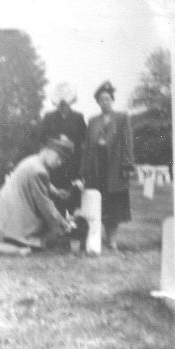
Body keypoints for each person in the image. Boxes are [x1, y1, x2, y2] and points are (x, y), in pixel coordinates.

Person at [0, 138, 75, 251]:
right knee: (31, 247)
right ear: (46, 152)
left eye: (63, 160)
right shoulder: (39, 170)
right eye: (58, 157)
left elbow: (42, 183)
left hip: (9, 208)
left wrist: (55, 191)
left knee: (42, 240)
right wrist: (62, 224)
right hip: (16, 214)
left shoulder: (34, 160)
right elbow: (44, 204)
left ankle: (14, 238)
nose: (60, 163)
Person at [81, 81, 134, 250]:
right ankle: (100, 236)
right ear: (98, 102)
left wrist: (127, 165)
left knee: (114, 203)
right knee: (99, 203)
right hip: (97, 168)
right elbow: (87, 146)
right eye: (101, 99)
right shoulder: (92, 121)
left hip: (115, 168)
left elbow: (127, 142)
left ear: (112, 100)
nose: (105, 102)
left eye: (108, 99)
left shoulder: (122, 117)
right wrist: (84, 169)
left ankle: (112, 239)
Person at [40, 83, 87, 215]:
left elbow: (84, 140)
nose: (63, 107)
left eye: (65, 105)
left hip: (73, 163)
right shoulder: (49, 117)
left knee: (73, 195)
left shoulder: (78, 117)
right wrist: (57, 141)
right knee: (55, 196)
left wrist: (71, 143)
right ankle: (56, 224)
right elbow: (42, 139)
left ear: (70, 103)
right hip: (55, 163)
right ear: (57, 104)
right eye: (60, 105)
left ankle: (73, 224)